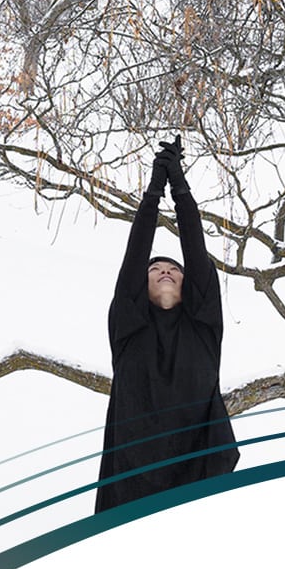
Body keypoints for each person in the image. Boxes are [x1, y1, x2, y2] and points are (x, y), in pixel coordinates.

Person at [96, 137, 239, 513]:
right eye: (155, 269)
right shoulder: (128, 331)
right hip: (132, 481)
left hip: (196, 475)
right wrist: (153, 191)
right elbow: (134, 256)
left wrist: (179, 186)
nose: (164, 272)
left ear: (186, 282)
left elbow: (195, 249)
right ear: (140, 286)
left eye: (173, 269)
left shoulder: (204, 328)